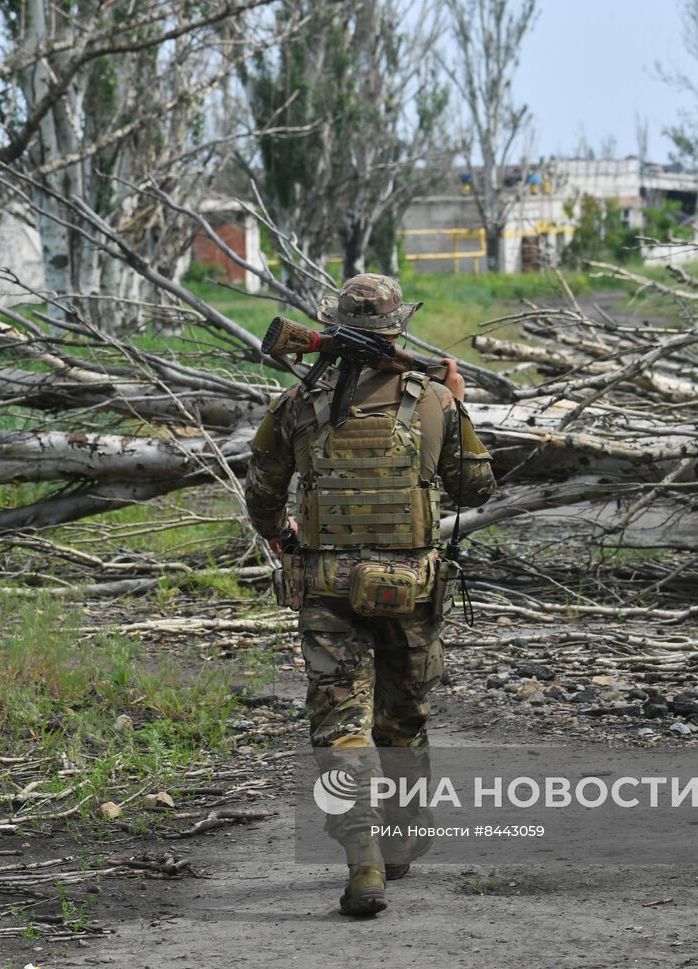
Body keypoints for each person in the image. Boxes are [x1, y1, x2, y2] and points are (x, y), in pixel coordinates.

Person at [243, 273, 497, 917]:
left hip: (328, 593)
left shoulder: (297, 401)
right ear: (393, 326)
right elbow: (475, 490)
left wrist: (281, 536)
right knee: (402, 721)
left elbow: (263, 496)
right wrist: (458, 403)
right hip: (411, 590)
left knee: (340, 729)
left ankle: (364, 865)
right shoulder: (432, 399)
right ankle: (402, 843)